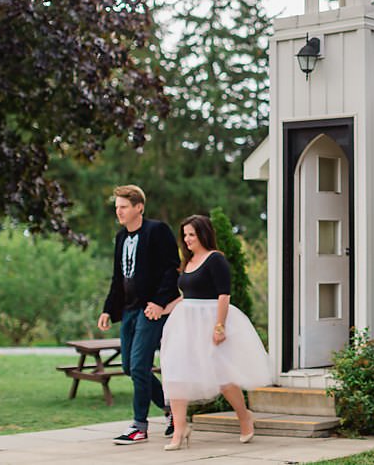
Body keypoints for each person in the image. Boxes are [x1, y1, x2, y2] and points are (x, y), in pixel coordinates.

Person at [159, 214, 272, 451]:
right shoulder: (188, 262)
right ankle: (179, 431)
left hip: (211, 320)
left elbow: (224, 295)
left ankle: (244, 417)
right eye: (185, 235)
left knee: (222, 376)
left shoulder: (215, 260)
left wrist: (219, 326)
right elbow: (185, 296)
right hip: (185, 323)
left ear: (203, 234)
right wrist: (163, 309)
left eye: (191, 234)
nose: (187, 239)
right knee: (176, 374)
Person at [98, 185, 180, 445]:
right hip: (129, 310)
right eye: (117, 208)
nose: (118, 212)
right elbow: (118, 277)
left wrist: (159, 302)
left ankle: (139, 426)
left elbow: (171, 269)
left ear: (139, 207)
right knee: (129, 367)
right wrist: (108, 310)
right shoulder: (121, 237)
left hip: (151, 310)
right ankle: (170, 410)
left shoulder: (157, 231)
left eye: (123, 207)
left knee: (139, 366)